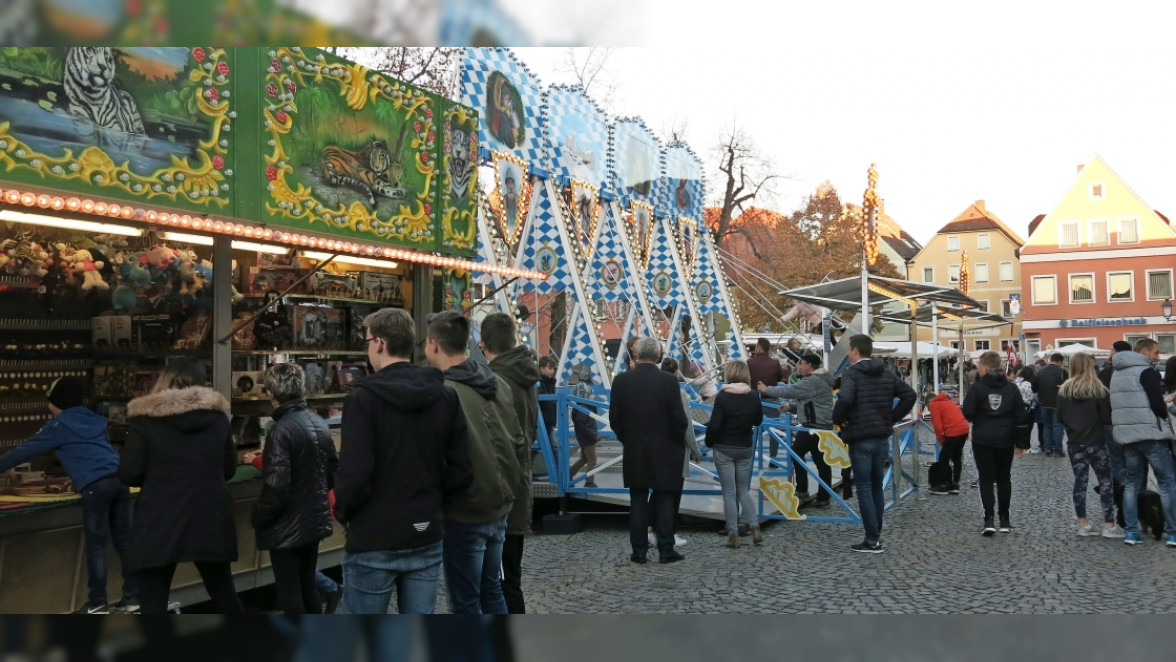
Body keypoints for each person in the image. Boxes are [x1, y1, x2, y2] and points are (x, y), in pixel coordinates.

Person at [334, 307, 474, 614]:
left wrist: (343, 511)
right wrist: (435, 504)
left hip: (374, 535)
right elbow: (462, 470)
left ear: (380, 343)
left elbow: (355, 473)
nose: (368, 348)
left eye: (368, 341)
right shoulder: (445, 396)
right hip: (424, 531)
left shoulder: (362, 400)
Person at [0, 377, 137, 614]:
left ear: (55, 402)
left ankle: (97, 603)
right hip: (120, 480)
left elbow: (21, 453)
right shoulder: (96, 421)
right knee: (125, 542)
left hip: (96, 487)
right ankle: (134, 597)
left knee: (96, 547)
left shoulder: (57, 426)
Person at [120, 357, 243, 614]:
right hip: (210, 514)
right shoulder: (218, 419)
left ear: (165, 379)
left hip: (160, 517)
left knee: (153, 596)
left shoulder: (145, 421)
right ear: (202, 384)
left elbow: (130, 473)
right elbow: (229, 469)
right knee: (222, 589)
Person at [426, 311, 526, 614]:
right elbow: (518, 440)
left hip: (465, 508)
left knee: (465, 600)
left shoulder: (443, 392)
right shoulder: (498, 383)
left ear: (433, 345)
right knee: (491, 589)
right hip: (499, 502)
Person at [251, 363, 340, 614]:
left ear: (271, 393)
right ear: (301, 388)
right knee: (307, 585)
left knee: (290, 592)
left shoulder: (279, 430)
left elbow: (276, 488)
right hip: (313, 519)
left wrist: (259, 516)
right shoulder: (318, 422)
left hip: (285, 526)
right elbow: (332, 472)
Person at [831, 334, 917, 553]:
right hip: (881, 436)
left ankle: (872, 539)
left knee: (865, 488)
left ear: (855, 351)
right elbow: (909, 394)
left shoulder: (852, 373)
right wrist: (891, 417)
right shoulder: (886, 373)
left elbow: (845, 398)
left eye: (849, 350)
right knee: (876, 486)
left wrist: (837, 420)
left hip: (860, 436)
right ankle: (876, 534)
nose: (849, 354)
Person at [609, 337, 689, 564]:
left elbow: (615, 419)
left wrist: (627, 438)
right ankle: (665, 549)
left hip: (635, 448)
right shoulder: (668, 382)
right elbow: (679, 419)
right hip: (665, 450)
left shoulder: (621, 381)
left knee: (637, 501)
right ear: (657, 356)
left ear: (637, 355)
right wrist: (674, 441)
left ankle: (639, 551)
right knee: (664, 500)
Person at [481, 312, 540, 615]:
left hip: (500, 493)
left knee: (497, 583)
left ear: (483, 344)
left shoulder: (495, 380)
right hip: (519, 486)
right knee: (508, 578)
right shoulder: (525, 374)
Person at [1110, 338, 1176, 546]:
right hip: (1151, 434)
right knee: (1167, 483)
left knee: (1131, 483)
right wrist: (1163, 415)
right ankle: (1172, 532)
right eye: (1156, 353)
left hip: (1128, 436)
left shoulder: (1116, 372)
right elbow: (1156, 403)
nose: (1157, 357)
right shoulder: (1147, 372)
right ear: (1145, 351)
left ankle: (1131, 532)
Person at [962, 351, 1030, 536]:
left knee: (985, 478)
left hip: (983, 438)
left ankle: (989, 519)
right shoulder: (1011, 388)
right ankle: (1005, 519)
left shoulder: (978, 388)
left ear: (984, 367)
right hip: (1005, 438)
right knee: (1003, 478)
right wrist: (1022, 443)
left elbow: (967, 411)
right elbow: (1021, 416)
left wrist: (981, 419)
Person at [1056, 353, 1124, 539]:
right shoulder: (1100, 390)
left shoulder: (1064, 391)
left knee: (1080, 482)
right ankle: (1109, 525)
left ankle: (1083, 523)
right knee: (1105, 482)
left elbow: (1059, 417)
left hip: (1075, 443)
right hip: (1097, 441)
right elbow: (1106, 418)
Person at [758, 353, 836, 507]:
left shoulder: (813, 380)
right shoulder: (820, 380)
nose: (799, 367)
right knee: (821, 462)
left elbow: (789, 391)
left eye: (802, 364)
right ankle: (823, 497)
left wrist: (766, 389)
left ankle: (802, 490)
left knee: (796, 451)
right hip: (822, 425)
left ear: (809, 365)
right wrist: (791, 407)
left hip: (814, 426)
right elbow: (811, 402)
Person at [705, 360, 764, 548]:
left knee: (729, 492)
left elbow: (714, 424)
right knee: (743, 490)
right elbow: (758, 419)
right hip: (744, 447)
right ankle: (755, 526)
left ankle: (733, 534)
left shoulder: (723, 397)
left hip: (724, 447)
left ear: (730, 374)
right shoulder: (753, 395)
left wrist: (708, 441)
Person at [927, 388, 970, 495]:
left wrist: (942, 441)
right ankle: (955, 484)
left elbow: (937, 426)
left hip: (953, 431)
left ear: (929, 402)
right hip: (964, 429)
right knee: (957, 456)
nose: (928, 408)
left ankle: (942, 485)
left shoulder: (934, 405)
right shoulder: (948, 402)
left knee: (943, 457)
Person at [1033, 352, 1069, 457]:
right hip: (1058, 403)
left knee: (1047, 426)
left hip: (1043, 403)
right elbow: (1067, 388)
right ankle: (1058, 449)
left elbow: (1035, 388)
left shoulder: (1040, 372)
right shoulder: (1062, 371)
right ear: (1059, 361)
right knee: (1058, 426)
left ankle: (1047, 448)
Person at [1012, 366, 1039, 453]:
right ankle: (1026, 447)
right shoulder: (1027, 384)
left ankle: (1016, 444)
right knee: (1028, 427)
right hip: (1027, 408)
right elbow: (1030, 397)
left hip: (1015, 408)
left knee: (1017, 427)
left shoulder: (1015, 382)